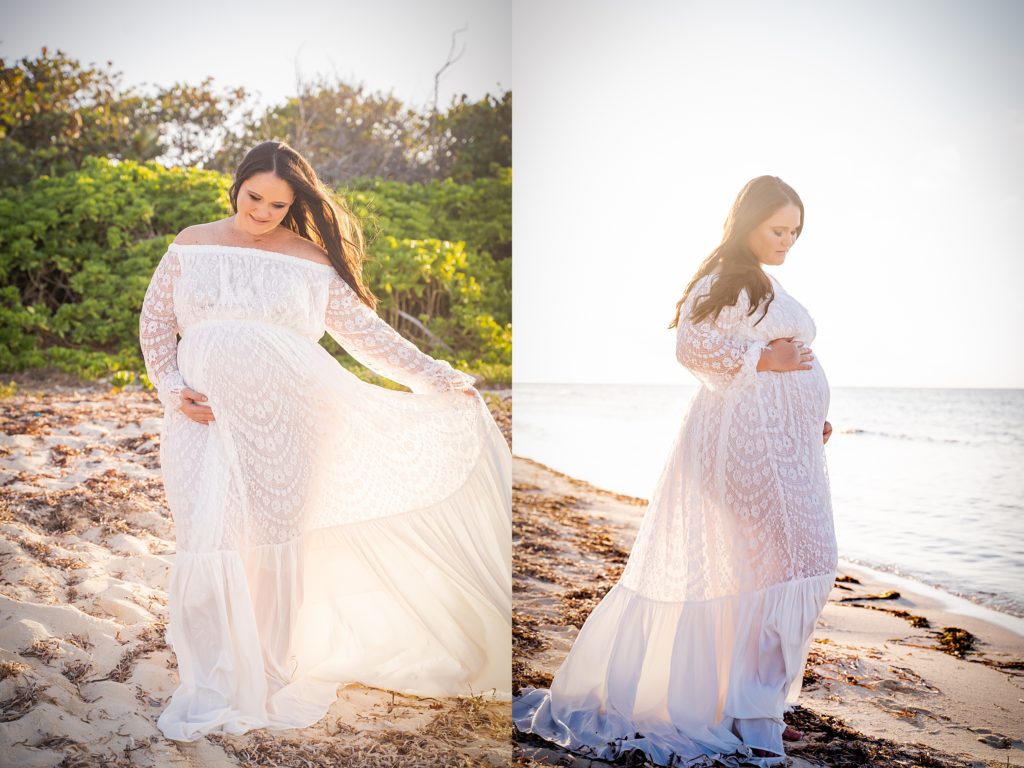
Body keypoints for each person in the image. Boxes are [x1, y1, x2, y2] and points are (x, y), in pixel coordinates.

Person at [138, 140, 512, 741]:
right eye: (254, 197)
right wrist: (171, 386)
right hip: (202, 417)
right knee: (210, 531)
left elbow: (365, 334)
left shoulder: (309, 257)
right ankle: (214, 668)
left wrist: (437, 377)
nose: (261, 212)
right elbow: (156, 322)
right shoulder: (191, 241)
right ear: (236, 187)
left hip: (295, 418)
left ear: (294, 205)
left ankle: (270, 663)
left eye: (277, 205)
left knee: (277, 535)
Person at [513, 175, 837, 766]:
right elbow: (693, 349)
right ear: (748, 224)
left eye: (795, 231)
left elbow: (784, 371)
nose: (788, 240)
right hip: (745, 450)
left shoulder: (764, 281)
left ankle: (755, 705)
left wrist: (808, 418)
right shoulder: (722, 280)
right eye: (777, 229)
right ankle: (750, 712)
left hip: (787, 450)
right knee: (776, 572)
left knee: (791, 570)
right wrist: (768, 358)